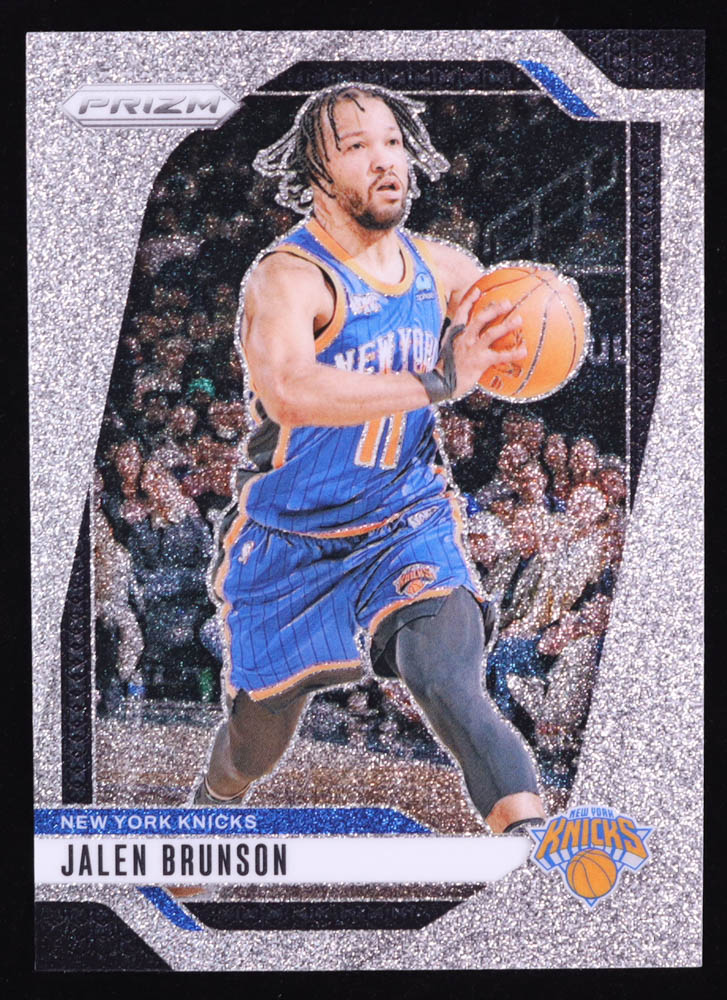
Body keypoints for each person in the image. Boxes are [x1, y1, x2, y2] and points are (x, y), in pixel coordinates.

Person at [192, 82, 546, 834]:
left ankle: (533, 849)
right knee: (254, 744)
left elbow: (518, 333)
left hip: (403, 519)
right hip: (289, 541)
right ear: (316, 174)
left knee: (446, 678)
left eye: (392, 142)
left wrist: (541, 328)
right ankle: (212, 806)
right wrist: (437, 381)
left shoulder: (444, 269)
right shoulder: (288, 276)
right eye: (357, 147)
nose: (385, 161)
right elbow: (290, 389)